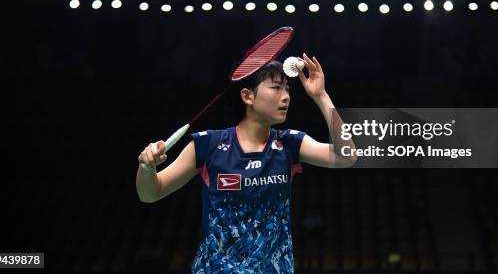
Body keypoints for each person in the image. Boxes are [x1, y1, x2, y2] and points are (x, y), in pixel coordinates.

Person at [136, 53, 357, 273]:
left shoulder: (289, 143)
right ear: (247, 96)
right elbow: (150, 193)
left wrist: (321, 95)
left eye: (287, 89)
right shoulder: (208, 145)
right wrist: (147, 167)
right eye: (276, 87)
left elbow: (347, 156)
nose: (286, 96)